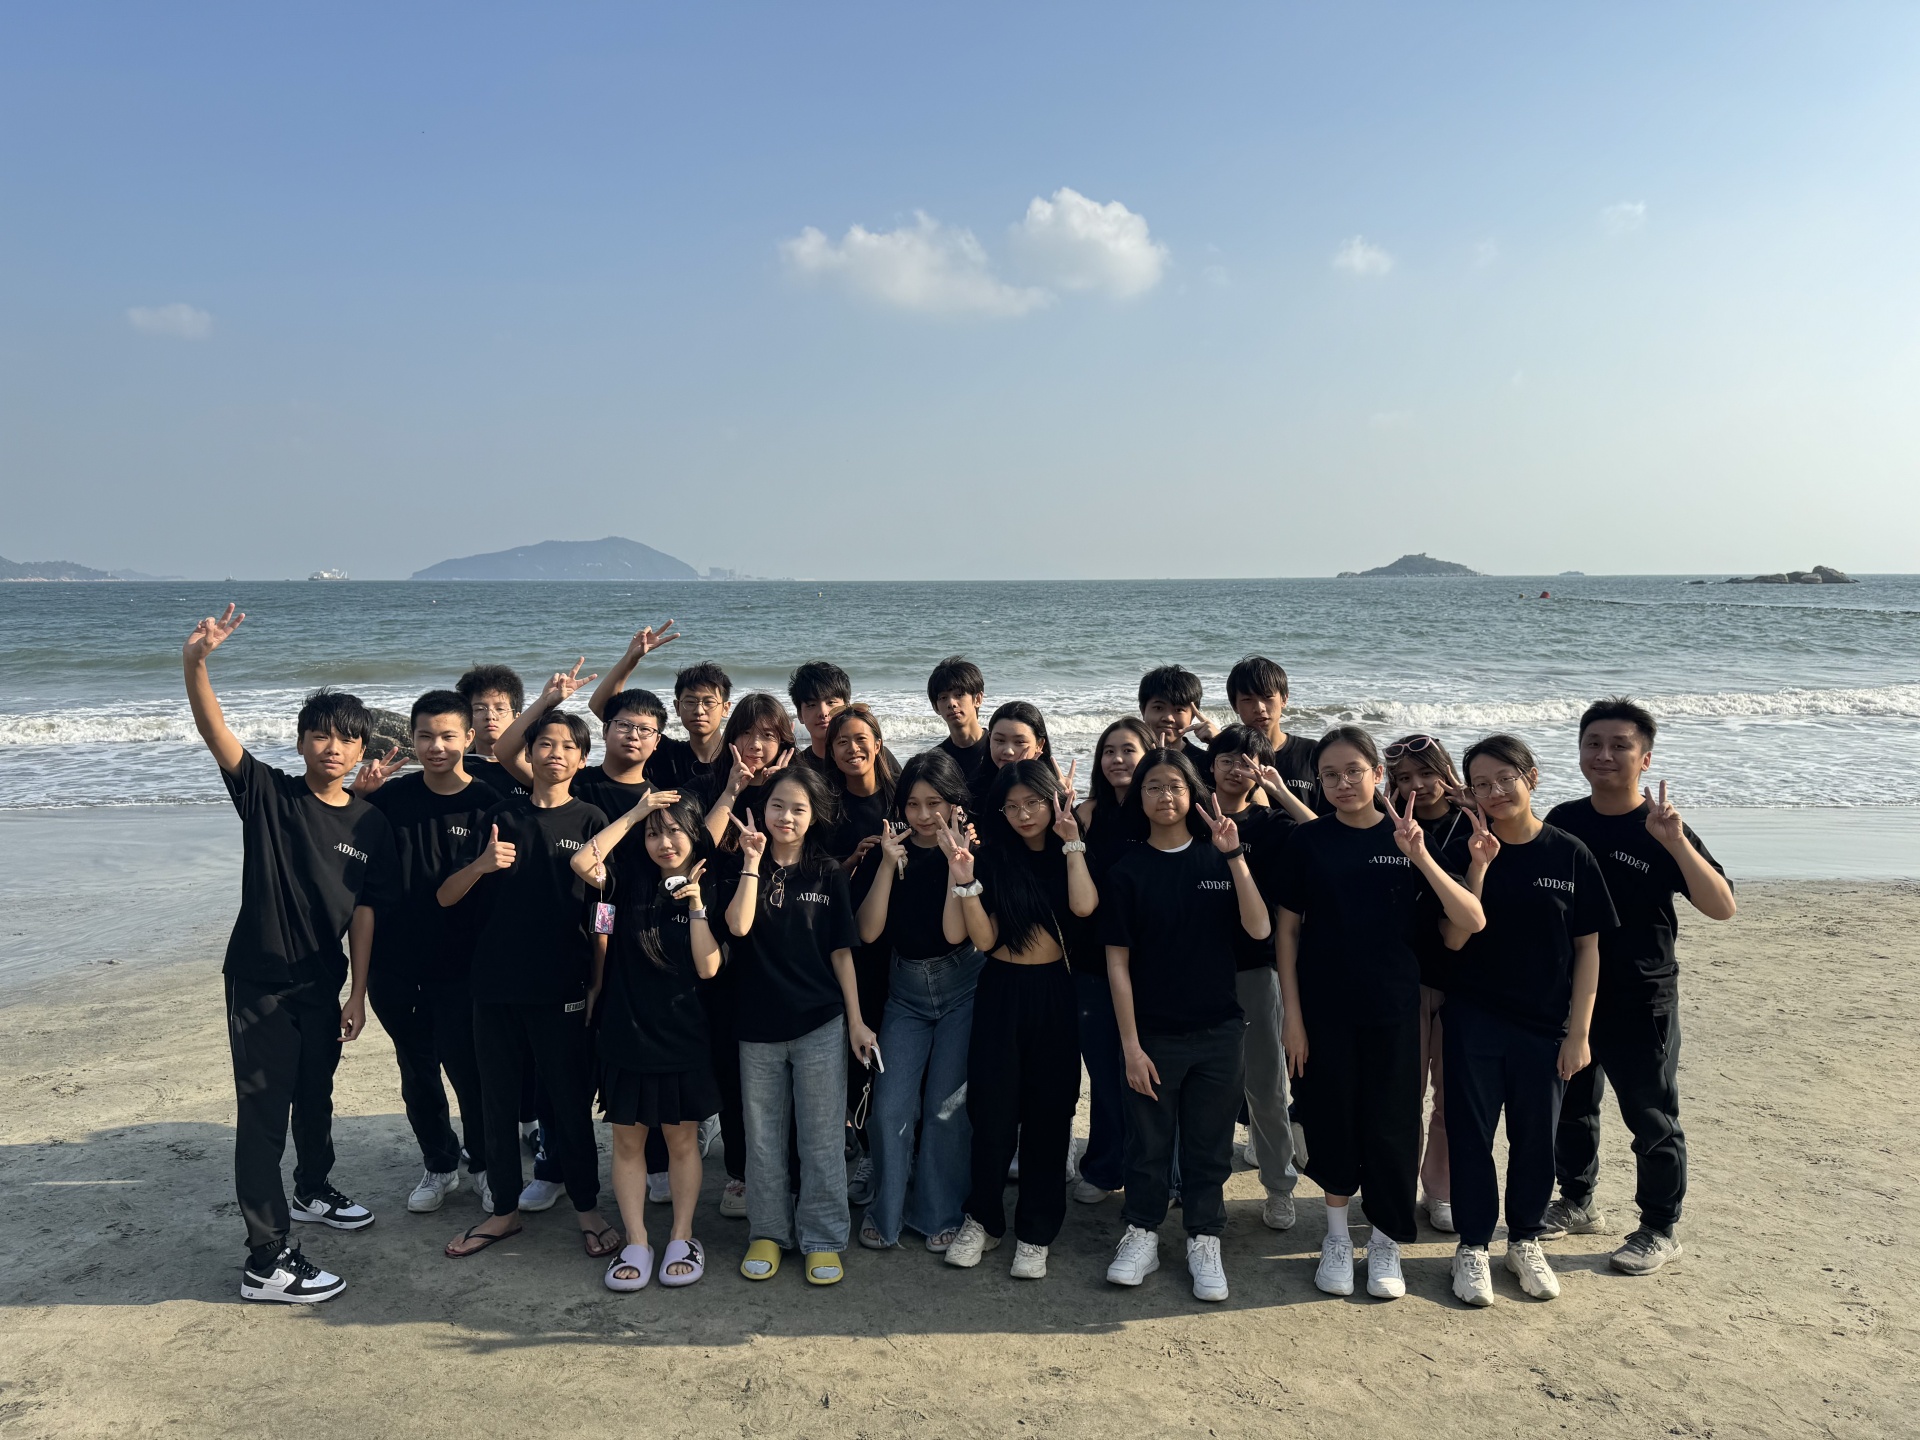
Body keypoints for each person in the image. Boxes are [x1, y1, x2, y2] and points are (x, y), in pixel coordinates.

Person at [184, 605, 396, 1305]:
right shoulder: (270, 795)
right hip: (262, 982)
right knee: (263, 1115)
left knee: (315, 1093)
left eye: (347, 738)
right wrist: (196, 662)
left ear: (362, 749)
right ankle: (266, 1259)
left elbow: (364, 911)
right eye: (320, 736)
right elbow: (216, 733)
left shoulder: (370, 822)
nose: (333, 748)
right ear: (301, 742)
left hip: (322, 982)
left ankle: (312, 1189)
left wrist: (357, 991)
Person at [1274, 726, 1486, 1301]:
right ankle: (1337, 1236)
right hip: (1324, 1009)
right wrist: (1292, 1017)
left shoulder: (1408, 837)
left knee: (1392, 1124)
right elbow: (1287, 932)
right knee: (1331, 1118)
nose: (1342, 783)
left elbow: (1470, 919)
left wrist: (1420, 854)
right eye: (1329, 774)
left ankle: (1388, 1238)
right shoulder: (1308, 841)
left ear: (1377, 775)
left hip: (1394, 1008)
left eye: (1353, 771)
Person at [1541, 698, 1734, 1275]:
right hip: (1571, 992)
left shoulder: (1662, 826)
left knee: (1651, 1115)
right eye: (1593, 743)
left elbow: (1721, 906)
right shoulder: (1564, 819)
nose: (1604, 755)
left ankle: (1658, 1228)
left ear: (1644, 758)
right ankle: (1577, 1201)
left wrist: (1675, 842)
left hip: (1641, 994)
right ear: (1579, 751)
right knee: (1572, 1106)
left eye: (1619, 746)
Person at [437, 709, 620, 1263]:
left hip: (563, 983)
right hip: (494, 984)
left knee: (568, 1101)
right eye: (545, 744)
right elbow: (446, 896)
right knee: (497, 1101)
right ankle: (503, 1211)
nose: (555, 754)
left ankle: (587, 1207)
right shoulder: (500, 816)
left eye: (567, 747)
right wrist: (482, 865)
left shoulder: (591, 820)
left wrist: (598, 980)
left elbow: (606, 911)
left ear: (582, 759)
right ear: (530, 753)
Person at [1440, 735, 1614, 1307]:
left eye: (1505, 779)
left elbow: (1588, 948)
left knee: (1536, 1139)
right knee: (1471, 1135)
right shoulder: (1460, 850)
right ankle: (1471, 1245)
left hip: (1544, 1025)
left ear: (1531, 777)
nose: (1495, 792)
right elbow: (1454, 938)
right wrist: (1478, 867)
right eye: (1481, 784)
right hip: (1474, 1019)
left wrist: (1579, 1033)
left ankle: (1523, 1241)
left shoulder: (1569, 853)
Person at [1102, 749, 1272, 1302]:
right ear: (1140, 798)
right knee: (1148, 1145)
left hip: (1219, 1030)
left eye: (1175, 786)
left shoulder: (1219, 859)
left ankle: (1204, 1237)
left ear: (1193, 793)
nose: (1165, 796)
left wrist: (1235, 856)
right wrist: (1130, 1045)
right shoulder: (1127, 871)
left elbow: (1259, 928)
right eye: (1153, 786)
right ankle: (1142, 1234)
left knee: (1209, 1146)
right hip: (1153, 1035)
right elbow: (1117, 964)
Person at [726, 767, 877, 1285]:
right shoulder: (743, 865)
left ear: (813, 817)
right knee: (763, 1138)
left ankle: (824, 1236)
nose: (786, 817)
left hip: (820, 1023)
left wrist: (856, 1022)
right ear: (761, 809)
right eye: (777, 806)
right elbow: (738, 926)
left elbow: (842, 952)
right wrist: (751, 862)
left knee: (821, 1138)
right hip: (757, 1024)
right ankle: (768, 1231)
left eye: (798, 809)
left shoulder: (828, 871)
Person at [944, 760, 1095, 1279]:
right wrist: (964, 880)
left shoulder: (1070, 852)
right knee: (991, 1113)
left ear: (1052, 800)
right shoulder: (991, 859)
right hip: (1000, 991)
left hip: (1055, 993)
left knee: (1049, 1115)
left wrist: (1072, 843)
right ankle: (983, 1220)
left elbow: (1083, 908)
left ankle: (1036, 1232)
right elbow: (984, 940)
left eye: (1032, 803)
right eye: (1011, 807)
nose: (1023, 814)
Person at [573, 791, 729, 1291]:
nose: (664, 843)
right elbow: (582, 862)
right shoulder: (625, 881)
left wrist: (698, 906)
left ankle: (682, 1236)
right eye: (653, 834)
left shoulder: (712, 885)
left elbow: (709, 968)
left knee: (682, 1140)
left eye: (674, 831)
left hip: (685, 1032)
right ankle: (637, 1240)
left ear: (694, 834)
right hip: (627, 1032)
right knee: (627, 1140)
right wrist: (637, 813)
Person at [364, 691, 500, 1217]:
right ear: (412, 739)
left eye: (447, 736)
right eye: (425, 736)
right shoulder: (390, 799)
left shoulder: (488, 802)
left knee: (469, 1069)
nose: (436, 746)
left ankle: (485, 1165)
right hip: (394, 961)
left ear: (469, 737)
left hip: (461, 964)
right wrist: (358, 793)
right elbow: (340, 844)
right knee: (416, 1068)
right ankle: (440, 1163)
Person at [854, 750, 983, 1253]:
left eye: (935, 803)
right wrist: (887, 864)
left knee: (946, 1108)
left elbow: (954, 933)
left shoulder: (970, 851)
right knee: (889, 1108)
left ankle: (938, 1212)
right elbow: (868, 932)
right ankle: (886, 1212)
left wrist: (956, 863)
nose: (924, 815)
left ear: (955, 803)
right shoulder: (888, 851)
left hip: (962, 987)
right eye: (913, 804)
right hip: (904, 993)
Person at [698, 692, 799, 1219]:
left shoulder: (796, 790)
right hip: (723, 952)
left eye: (769, 735)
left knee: (788, 1071)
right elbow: (696, 850)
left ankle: (791, 1171)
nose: (757, 745)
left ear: (784, 741)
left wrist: (786, 788)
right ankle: (739, 1171)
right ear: (730, 737)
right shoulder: (711, 787)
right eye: (746, 733)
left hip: (781, 951)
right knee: (733, 1068)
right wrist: (734, 789)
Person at [1205, 725, 1301, 1230]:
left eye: (1248, 762)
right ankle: (1198, 1184)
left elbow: (1324, 837)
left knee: (1266, 1085)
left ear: (1262, 770)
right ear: (1211, 764)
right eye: (1226, 759)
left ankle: (1279, 1185)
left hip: (1256, 968)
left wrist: (1280, 791)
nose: (1235, 769)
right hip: (1197, 968)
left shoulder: (1273, 825)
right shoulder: (1192, 816)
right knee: (1207, 1088)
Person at [1384, 733, 1471, 1234]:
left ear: (1446, 771)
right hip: (1407, 978)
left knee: (1452, 1097)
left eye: (1426, 773)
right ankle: (1397, 1184)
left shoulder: (1474, 820)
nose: (1417, 785)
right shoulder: (1388, 824)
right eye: (1404, 778)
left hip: (1464, 978)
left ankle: (1441, 1189)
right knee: (1403, 1093)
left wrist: (1474, 804)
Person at [1068, 717, 1155, 1205]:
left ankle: (1157, 1171)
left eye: (1128, 750)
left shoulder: (1161, 809)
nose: (1118, 759)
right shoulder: (1086, 813)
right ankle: (1103, 1167)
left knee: (1151, 1069)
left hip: (1153, 959)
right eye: (1109, 751)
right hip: (1092, 959)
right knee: (1104, 1071)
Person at [822, 704, 902, 1208]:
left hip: (904, 942)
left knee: (898, 1051)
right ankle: (866, 1146)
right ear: (830, 752)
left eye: (860, 739)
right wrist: (849, 862)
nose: (852, 749)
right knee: (858, 1051)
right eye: (841, 742)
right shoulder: (827, 807)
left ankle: (892, 1148)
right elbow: (815, 874)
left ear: (877, 743)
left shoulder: (902, 798)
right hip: (850, 947)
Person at [1225, 655, 1322, 814]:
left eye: (1267, 697)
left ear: (1284, 699)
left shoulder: (1312, 753)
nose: (1259, 708)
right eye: (1247, 699)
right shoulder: (1227, 760)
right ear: (1234, 705)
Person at [457, 664, 530, 798]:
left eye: (500, 709)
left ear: (517, 718)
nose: (490, 716)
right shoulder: (458, 769)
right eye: (479, 709)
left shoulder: (531, 768)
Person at [927, 655, 993, 800]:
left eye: (959, 694)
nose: (951, 703)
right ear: (936, 707)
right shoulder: (936, 759)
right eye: (943, 698)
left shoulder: (998, 749)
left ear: (978, 699)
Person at [1137, 665, 1215, 773]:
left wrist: (1219, 743)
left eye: (1179, 710)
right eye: (1158, 708)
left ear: (1193, 715)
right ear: (1143, 710)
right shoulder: (1130, 760)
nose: (1168, 718)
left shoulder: (1207, 764)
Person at [787, 660, 852, 775]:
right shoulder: (795, 770)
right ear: (800, 715)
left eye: (831, 702)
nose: (823, 712)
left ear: (847, 707)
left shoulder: (868, 758)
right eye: (812, 705)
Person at [984, 700, 1054, 772]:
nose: (1008, 751)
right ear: (990, 739)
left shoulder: (1054, 779)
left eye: (1020, 742)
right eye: (1000, 740)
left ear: (1039, 745)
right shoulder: (977, 776)